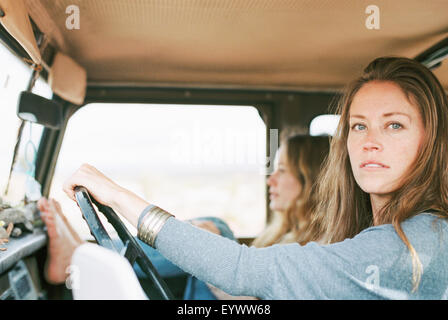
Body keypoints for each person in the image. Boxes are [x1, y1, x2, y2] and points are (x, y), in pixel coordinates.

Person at [54, 56, 448, 299]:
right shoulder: (380, 234)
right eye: (359, 127)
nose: (370, 142)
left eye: (394, 125)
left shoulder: (414, 245)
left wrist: (117, 195)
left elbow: (246, 272)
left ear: (432, 140)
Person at [38, 134, 330, 299]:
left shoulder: (319, 248)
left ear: (311, 179)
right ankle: (83, 254)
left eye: (282, 170)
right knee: (214, 226)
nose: (271, 180)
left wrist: (209, 264)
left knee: (213, 231)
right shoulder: (282, 233)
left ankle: (79, 256)